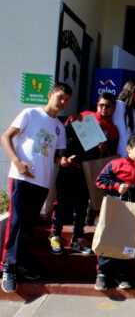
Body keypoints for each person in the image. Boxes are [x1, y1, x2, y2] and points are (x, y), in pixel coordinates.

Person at [1, 82, 75, 293]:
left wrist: (62, 162)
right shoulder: (30, 113)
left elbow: (56, 157)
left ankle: (21, 264)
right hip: (22, 177)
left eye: (67, 100)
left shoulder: (59, 127)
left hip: (42, 181)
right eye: (60, 97)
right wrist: (16, 161)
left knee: (29, 225)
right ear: (50, 94)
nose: (63, 102)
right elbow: (5, 137)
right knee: (16, 222)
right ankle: (8, 267)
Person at [49, 92, 119, 256]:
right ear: (96, 105)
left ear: (113, 108)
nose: (103, 109)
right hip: (70, 166)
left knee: (81, 205)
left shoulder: (113, 130)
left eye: (107, 106)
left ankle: (78, 237)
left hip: (88, 171)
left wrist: (105, 149)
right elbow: (64, 136)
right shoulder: (84, 116)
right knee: (61, 202)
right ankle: (55, 235)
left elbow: (111, 155)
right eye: (100, 105)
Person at [94, 134, 135, 291]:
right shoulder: (116, 163)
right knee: (109, 238)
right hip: (116, 206)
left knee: (129, 242)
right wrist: (116, 186)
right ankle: (102, 275)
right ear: (128, 148)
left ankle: (122, 275)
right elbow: (99, 180)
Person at [112, 80, 135, 157]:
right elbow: (122, 133)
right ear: (132, 92)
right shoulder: (119, 106)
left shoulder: (130, 108)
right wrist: (126, 155)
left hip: (129, 152)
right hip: (122, 154)